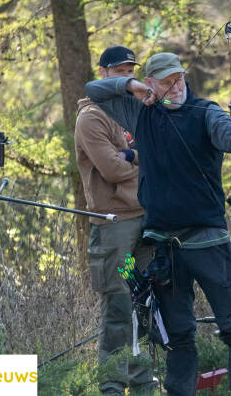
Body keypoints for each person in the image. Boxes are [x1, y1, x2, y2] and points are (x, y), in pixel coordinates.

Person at [85, 52, 231, 396]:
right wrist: (131, 85)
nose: (176, 87)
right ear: (151, 85)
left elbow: (229, 135)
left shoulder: (206, 111)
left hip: (207, 242)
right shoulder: (139, 112)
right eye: (166, 81)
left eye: (179, 79)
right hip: (163, 246)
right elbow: (94, 89)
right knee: (178, 335)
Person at [75, 46, 155, 395]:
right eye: (118, 70)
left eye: (130, 71)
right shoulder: (91, 117)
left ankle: (143, 383)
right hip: (115, 228)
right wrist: (141, 161)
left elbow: (149, 156)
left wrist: (134, 155)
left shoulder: (134, 109)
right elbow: (111, 168)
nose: (125, 76)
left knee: (147, 302)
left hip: (146, 222)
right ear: (103, 73)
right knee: (119, 303)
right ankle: (111, 385)